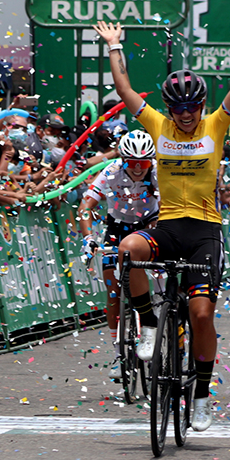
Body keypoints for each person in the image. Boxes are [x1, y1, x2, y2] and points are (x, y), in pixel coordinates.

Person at [93, 6, 230, 432]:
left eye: (192, 106)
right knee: (128, 249)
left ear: (201, 105)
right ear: (169, 107)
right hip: (167, 227)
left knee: (201, 316)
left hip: (204, 233)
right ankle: (146, 326)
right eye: (178, 107)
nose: (185, 114)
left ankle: (201, 396)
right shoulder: (158, 125)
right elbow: (124, 89)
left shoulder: (215, 127)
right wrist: (114, 46)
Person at [77, 131, 160, 379]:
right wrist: (88, 238)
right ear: (122, 159)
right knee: (113, 289)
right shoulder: (111, 171)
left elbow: (169, 207)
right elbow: (85, 208)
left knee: (159, 275)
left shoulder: (157, 171)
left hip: (150, 223)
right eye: (130, 161)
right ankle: (118, 354)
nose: (136, 167)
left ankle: (162, 319)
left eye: (142, 162)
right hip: (118, 227)